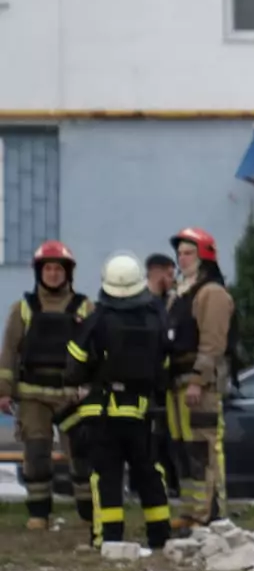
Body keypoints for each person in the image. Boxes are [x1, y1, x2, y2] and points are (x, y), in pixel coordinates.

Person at [63, 254, 174, 551]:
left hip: (102, 411)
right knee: (148, 472)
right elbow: (164, 365)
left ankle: (109, 538)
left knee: (107, 475)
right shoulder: (156, 318)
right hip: (141, 411)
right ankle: (160, 536)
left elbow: (73, 366)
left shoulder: (97, 319)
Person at [0, 240, 93, 531]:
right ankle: (39, 514)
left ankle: (88, 514)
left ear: (68, 273)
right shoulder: (23, 309)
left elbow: (96, 350)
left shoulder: (85, 308)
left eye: (58, 269)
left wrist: (91, 388)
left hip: (72, 397)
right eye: (48, 269)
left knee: (82, 454)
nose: (53, 274)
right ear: (39, 272)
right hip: (33, 396)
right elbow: (9, 352)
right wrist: (4, 391)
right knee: (36, 453)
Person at [163, 226, 234, 531]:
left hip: (199, 386)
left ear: (204, 256)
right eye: (179, 253)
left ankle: (210, 513)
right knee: (183, 449)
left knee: (203, 449)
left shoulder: (211, 293)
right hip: (176, 383)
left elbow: (212, 343)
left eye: (189, 253)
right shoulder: (178, 294)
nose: (182, 258)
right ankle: (191, 511)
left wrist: (198, 380)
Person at [143, 253, 180, 495]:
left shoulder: (170, 302)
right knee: (150, 438)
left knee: (166, 436)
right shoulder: (143, 304)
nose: (172, 279)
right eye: (169, 274)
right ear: (157, 273)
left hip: (164, 382)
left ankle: (171, 484)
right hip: (147, 381)